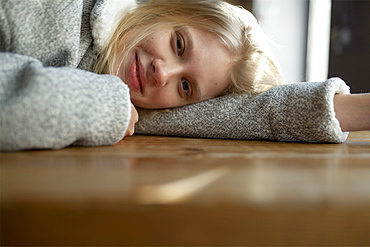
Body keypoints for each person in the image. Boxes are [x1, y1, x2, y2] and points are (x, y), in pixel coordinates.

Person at [0, 0, 369, 152]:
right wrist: (101, 104)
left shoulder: (133, 95)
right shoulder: (56, 10)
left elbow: (247, 113)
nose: (163, 73)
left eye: (186, 86)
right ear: (164, 10)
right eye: (178, 44)